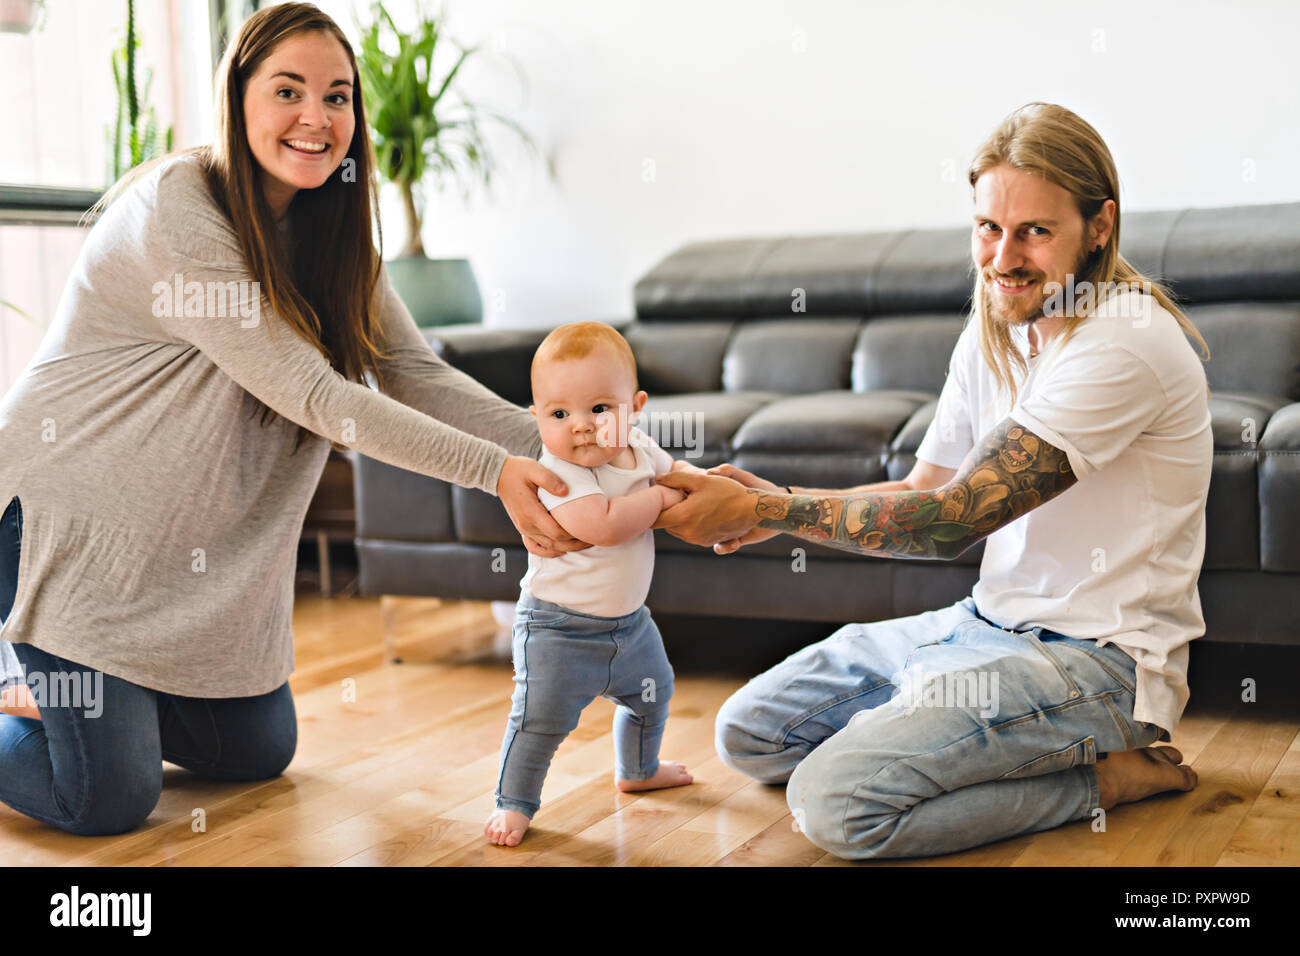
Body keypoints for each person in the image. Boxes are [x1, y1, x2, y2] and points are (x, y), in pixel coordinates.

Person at [0, 3, 582, 836]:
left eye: (338, 96)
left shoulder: (333, 239)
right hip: (63, 527)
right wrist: (495, 473)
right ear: (236, 100)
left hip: (176, 556)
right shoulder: (178, 207)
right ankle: (54, 685)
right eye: (288, 91)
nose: (317, 118)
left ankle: (82, 697)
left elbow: (414, 374)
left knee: (254, 751)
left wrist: (583, 448)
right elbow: (320, 396)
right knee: (105, 795)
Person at [654, 102, 1210, 860]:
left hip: (1099, 662)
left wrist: (772, 506)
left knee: (836, 805)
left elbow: (951, 522)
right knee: (751, 733)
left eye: (1035, 232)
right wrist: (773, 512)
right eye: (988, 228)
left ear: (1100, 225)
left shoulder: (1125, 341)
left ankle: (1108, 777)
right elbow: (923, 489)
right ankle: (949, 738)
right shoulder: (996, 323)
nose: (1003, 257)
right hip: (983, 625)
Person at [485, 322, 700, 847]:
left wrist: (703, 485)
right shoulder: (558, 472)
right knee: (540, 721)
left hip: (631, 625)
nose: (581, 426)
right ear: (536, 418)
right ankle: (513, 804)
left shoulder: (642, 449)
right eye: (560, 414)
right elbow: (604, 525)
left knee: (653, 696)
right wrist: (659, 501)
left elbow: (680, 477)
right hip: (558, 630)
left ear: (636, 405)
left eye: (600, 409)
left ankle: (638, 769)